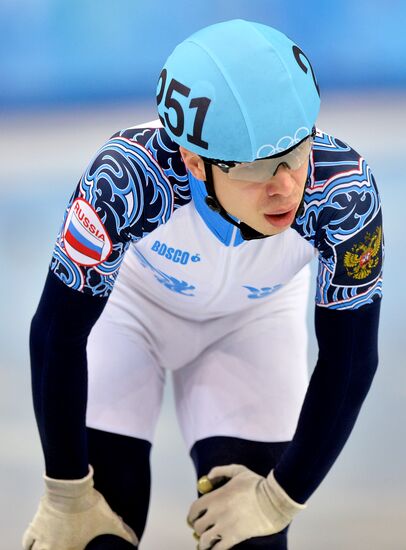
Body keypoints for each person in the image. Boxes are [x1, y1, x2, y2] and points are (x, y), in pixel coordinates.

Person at [23, 19, 383, 550]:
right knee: (96, 530)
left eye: (297, 152)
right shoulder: (128, 179)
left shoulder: (342, 191)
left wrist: (278, 499)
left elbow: (351, 360)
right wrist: (65, 494)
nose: (286, 185)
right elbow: (56, 333)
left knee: (252, 539)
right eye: (260, 166)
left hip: (252, 323)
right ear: (193, 161)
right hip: (131, 310)